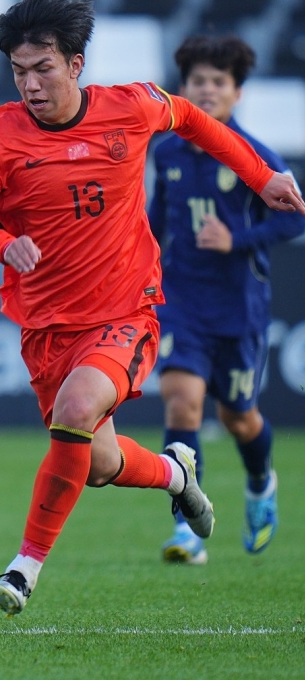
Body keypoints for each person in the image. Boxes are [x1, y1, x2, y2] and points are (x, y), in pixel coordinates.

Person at [0, 0, 304, 617]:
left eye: (43, 69)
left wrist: (262, 176)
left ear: (76, 65)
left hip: (125, 310)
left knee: (78, 407)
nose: (30, 84)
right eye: (18, 71)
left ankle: (24, 567)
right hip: (46, 327)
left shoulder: (132, 107)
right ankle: (176, 475)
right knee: (97, 461)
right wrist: (5, 245)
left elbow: (195, 120)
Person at [149, 35, 305, 564]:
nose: (208, 89)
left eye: (219, 82)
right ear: (184, 89)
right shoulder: (166, 149)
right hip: (181, 301)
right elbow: (154, 219)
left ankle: (261, 482)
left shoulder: (254, 154)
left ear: (237, 92)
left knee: (239, 417)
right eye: (198, 81)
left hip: (238, 310)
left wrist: (235, 241)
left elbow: (293, 215)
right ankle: (188, 529)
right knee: (181, 400)